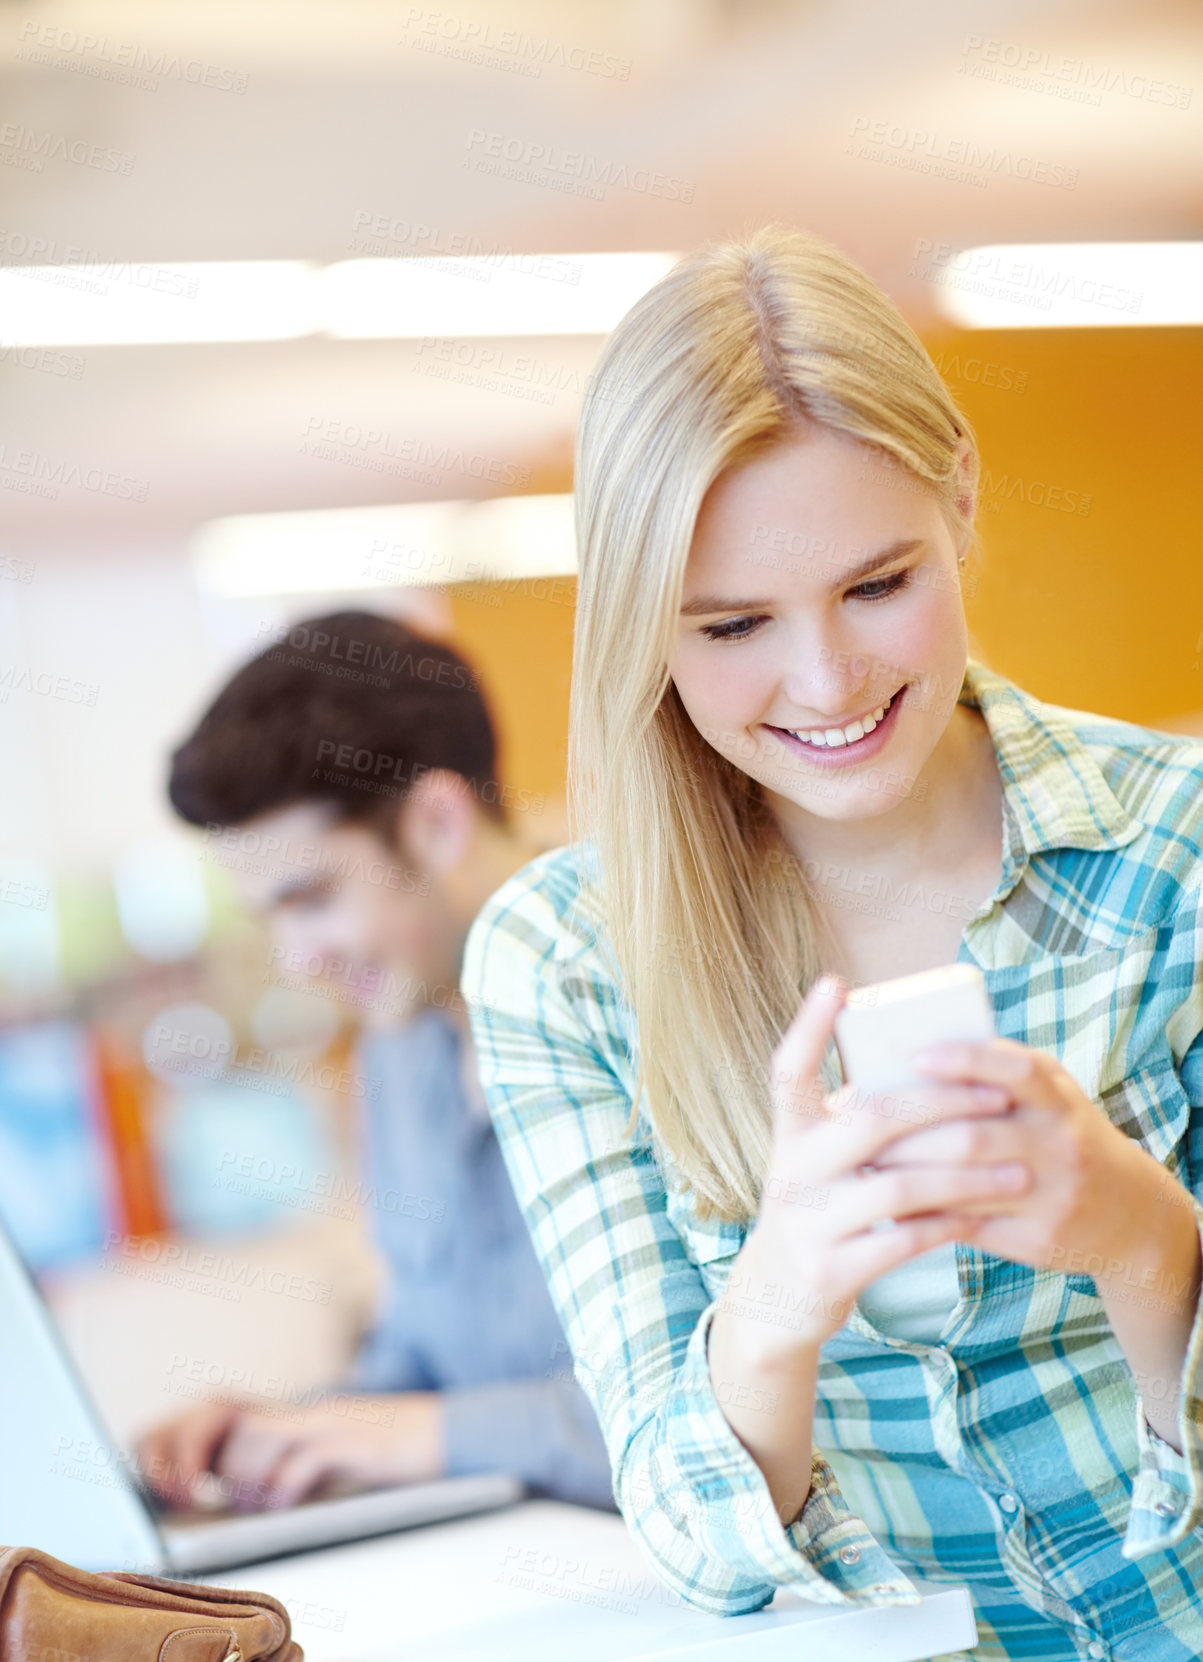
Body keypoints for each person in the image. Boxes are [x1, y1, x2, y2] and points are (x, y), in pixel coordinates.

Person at [458, 226, 1203, 1659]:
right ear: (639, 631)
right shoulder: (560, 960)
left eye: (876, 586)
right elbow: (691, 1529)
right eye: (730, 624)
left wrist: (1135, 1233)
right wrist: (777, 1294)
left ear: (961, 500)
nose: (823, 682)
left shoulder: (1173, 851)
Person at [136, 610, 616, 1514]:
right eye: (269, 916)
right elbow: (425, 1362)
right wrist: (279, 1436)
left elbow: (736, 1406)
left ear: (436, 822)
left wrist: (415, 1435)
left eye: (311, 897)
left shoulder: (652, 1005)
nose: (296, 958)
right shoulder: (396, 1054)